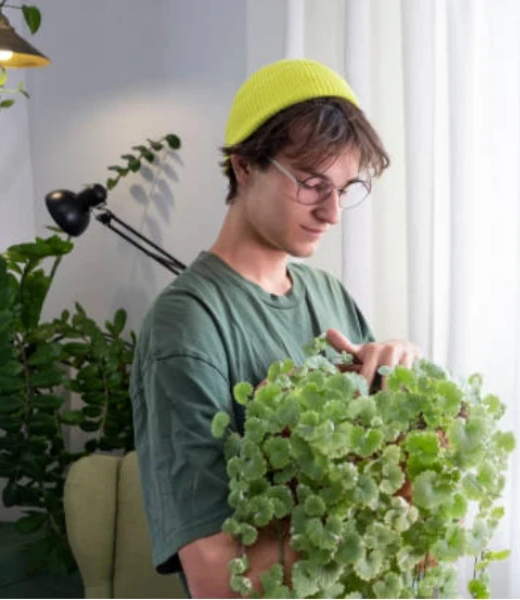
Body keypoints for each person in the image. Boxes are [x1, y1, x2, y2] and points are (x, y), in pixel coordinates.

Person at [131, 59, 421, 598]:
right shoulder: (188, 324)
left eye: (344, 187)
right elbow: (215, 575)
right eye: (312, 184)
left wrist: (402, 384)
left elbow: (385, 458)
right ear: (244, 167)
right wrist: (389, 514)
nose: (332, 211)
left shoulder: (329, 295)